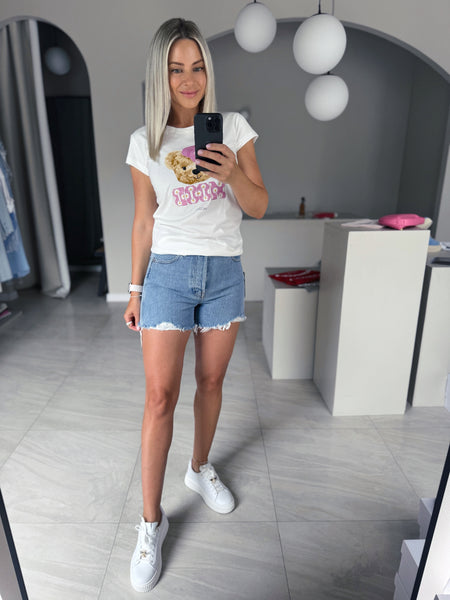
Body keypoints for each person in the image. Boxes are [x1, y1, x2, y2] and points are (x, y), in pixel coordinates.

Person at [124, 17, 268, 593]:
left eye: (198, 67)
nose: (189, 80)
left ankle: (199, 467)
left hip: (224, 273)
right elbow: (143, 221)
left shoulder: (232, 128)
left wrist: (231, 170)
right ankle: (150, 524)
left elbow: (259, 205)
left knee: (211, 383)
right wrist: (134, 290)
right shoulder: (145, 141)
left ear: (209, 71)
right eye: (176, 69)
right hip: (167, 275)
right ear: (161, 75)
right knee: (160, 397)